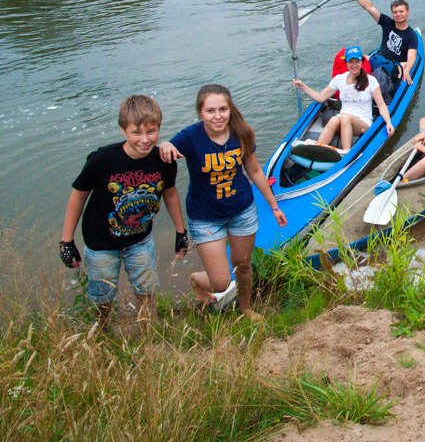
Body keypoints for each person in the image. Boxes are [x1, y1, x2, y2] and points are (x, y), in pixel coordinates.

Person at [159, 84, 287, 317]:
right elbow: (169, 147)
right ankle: (197, 279)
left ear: (230, 109)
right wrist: (166, 144)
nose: (217, 116)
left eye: (222, 109)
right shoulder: (190, 137)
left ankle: (246, 308)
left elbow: (255, 171)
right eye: (210, 111)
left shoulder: (242, 132)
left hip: (242, 210)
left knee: (244, 265)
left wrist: (274, 205)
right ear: (200, 112)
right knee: (220, 283)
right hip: (205, 217)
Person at [59, 95, 187, 327]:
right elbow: (78, 195)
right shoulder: (102, 160)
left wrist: (180, 231)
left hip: (140, 240)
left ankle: (149, 333)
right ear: (122, 130)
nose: (145, 139)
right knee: (102, 296)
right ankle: (102, 332)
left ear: (159, 128)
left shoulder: (164, 161)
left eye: (152, 131)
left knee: (147, 290)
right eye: (136, 132)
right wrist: (66, 241)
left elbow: (170, 193)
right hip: (101, 244)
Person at [292, 45, 394, 153]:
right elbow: (321, 97)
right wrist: (303, 87)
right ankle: (318, 150)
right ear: (346, 63)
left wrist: (389, 123)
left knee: (345, 117)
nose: (354, 65)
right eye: (351, 62)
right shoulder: (339, 79)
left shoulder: (371, 81)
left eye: (357, 61)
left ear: (362, 62)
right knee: (334, 119)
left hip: (363, 124)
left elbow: (381, 105)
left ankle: (346, 152)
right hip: (343, 121)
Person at [346, 0, 417, 88]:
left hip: (395, 65)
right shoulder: (387, 22)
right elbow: (369, 7)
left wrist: (406, 71)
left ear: (407, 12)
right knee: (353, 61)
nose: (398, 14)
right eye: (395, 12)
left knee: (382, 76)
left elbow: (411, 57)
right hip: (379, 58)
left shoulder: (411, 35)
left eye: (401, 11)